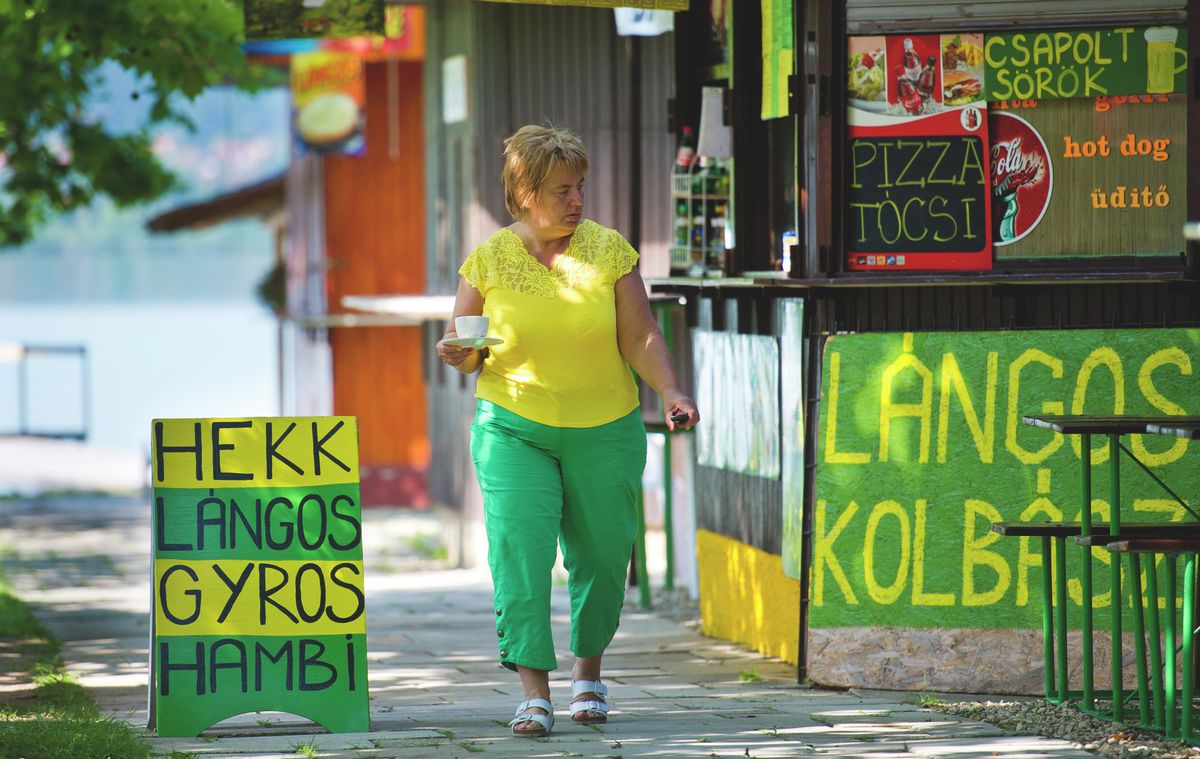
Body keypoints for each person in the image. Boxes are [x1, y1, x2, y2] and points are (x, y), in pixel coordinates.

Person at [435, 124, 699, 738]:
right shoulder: (489, 259)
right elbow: (468, 344)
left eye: (579, 187)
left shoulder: (609, 251)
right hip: (512, 428)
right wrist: (459, 355)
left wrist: (672, 391)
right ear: (524, 191)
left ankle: (589, 675)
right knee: (519, 556)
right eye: (561, 190)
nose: (576, 200)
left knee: (604, 556)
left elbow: (640, 335)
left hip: (605, 426)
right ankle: (533, 692)